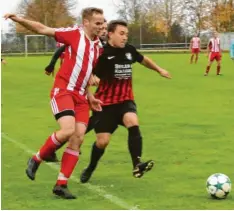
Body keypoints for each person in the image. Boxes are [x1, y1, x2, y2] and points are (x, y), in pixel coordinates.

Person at [4, 7, 104, 199]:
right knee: (67, 130)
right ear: (86, 23)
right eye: (97, 23)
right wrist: (19, 19)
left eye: (102, 22)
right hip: (63, 91)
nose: (101, 26)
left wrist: (90, 96)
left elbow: (85, 74)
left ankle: (61, 184)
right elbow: (42, 29)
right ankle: (36, 159)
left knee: (78, 138)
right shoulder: (74, 34)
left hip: (81, 97)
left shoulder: (98, 47)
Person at [79, 20, 171, 183]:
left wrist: (159, 70)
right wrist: (91, 79)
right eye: (121, 34)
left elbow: (143, 59)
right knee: (103, 142)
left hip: (125, 101)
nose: (124, 37)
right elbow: (88, 73)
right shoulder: (102, 53)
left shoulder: (129, 50)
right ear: (110, 34)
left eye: (126, 34)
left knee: (132, 121)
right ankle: (91, 167)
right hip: (105, 105)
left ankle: (137, 164)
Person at [44, 20, 108, 162]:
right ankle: (68, 143)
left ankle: (71, 142)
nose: (103, 30)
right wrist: (51, 65)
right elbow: (61, 50)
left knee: (92, 118)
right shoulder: (83, 40)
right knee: (78, 122)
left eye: (105, 28)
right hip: (72, 83)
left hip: (87, 86)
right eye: (101, 27)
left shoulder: (102, 46)